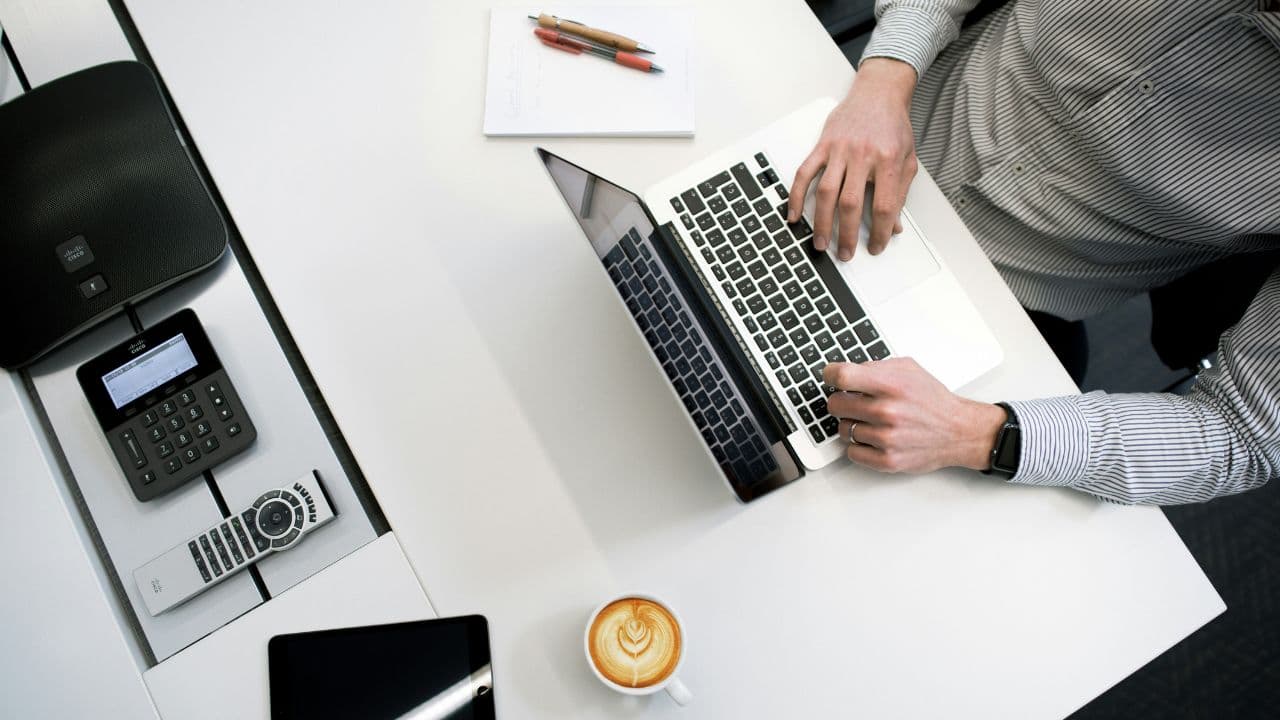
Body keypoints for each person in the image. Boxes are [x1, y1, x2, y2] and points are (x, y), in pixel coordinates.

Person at [795, 0, 1280, 503]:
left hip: (1000, 309)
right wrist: (885, 80)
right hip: (859, 122)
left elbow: (1241, 433)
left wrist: (976, 433)